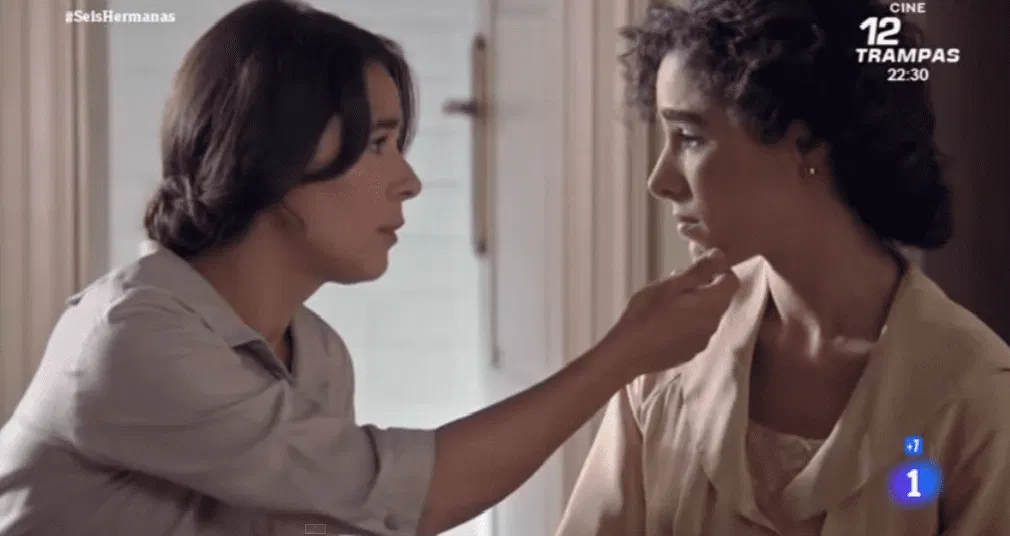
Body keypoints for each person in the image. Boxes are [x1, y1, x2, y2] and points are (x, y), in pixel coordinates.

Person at [0, 1, 740, 535]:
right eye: (380, 143)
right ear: (277, 155)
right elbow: (408, 495)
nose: (409, 181)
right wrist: (624, 353)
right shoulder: (133, 337)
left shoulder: (316, 355)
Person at [554, 0, 1010, 535]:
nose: (661, 181)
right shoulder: (665, 357)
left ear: (805, 141)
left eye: (690, 138)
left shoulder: (977, 395)